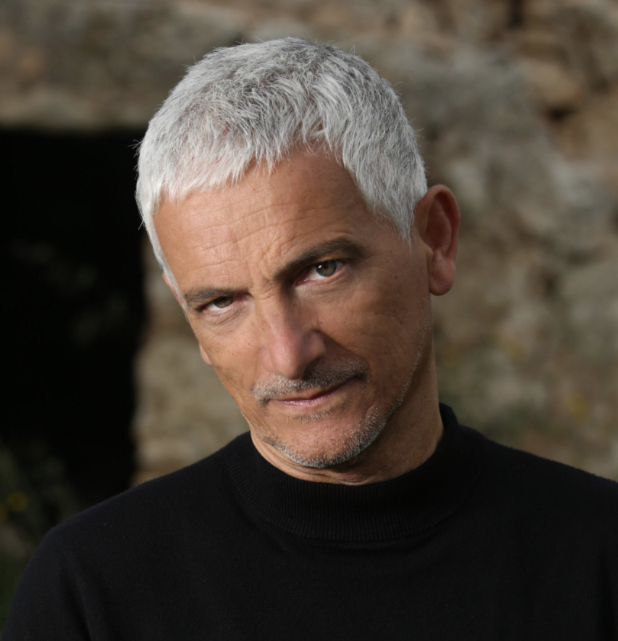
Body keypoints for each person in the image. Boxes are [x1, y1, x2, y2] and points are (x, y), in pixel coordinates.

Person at [4, 38, 618, 640]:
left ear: (435, 239)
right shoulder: (89, 592)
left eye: (322, 270)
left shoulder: (599, 557)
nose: (288, 356)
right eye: (221, 302)